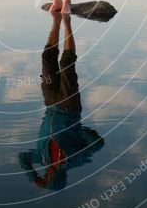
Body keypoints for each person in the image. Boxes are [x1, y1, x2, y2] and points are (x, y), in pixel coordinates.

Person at [18, 14, 104, 190]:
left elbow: (22, 158)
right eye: (46, 178)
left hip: (50, 104)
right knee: (66, 63)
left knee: (47, 58)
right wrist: (78, 131)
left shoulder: (41, 158)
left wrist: (33, 177)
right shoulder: (73, 160)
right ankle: (67, 23)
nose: (45, 174)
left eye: (44, 177)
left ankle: (56, 20)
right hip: (69, 105)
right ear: (55, 178)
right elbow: (98, 143)